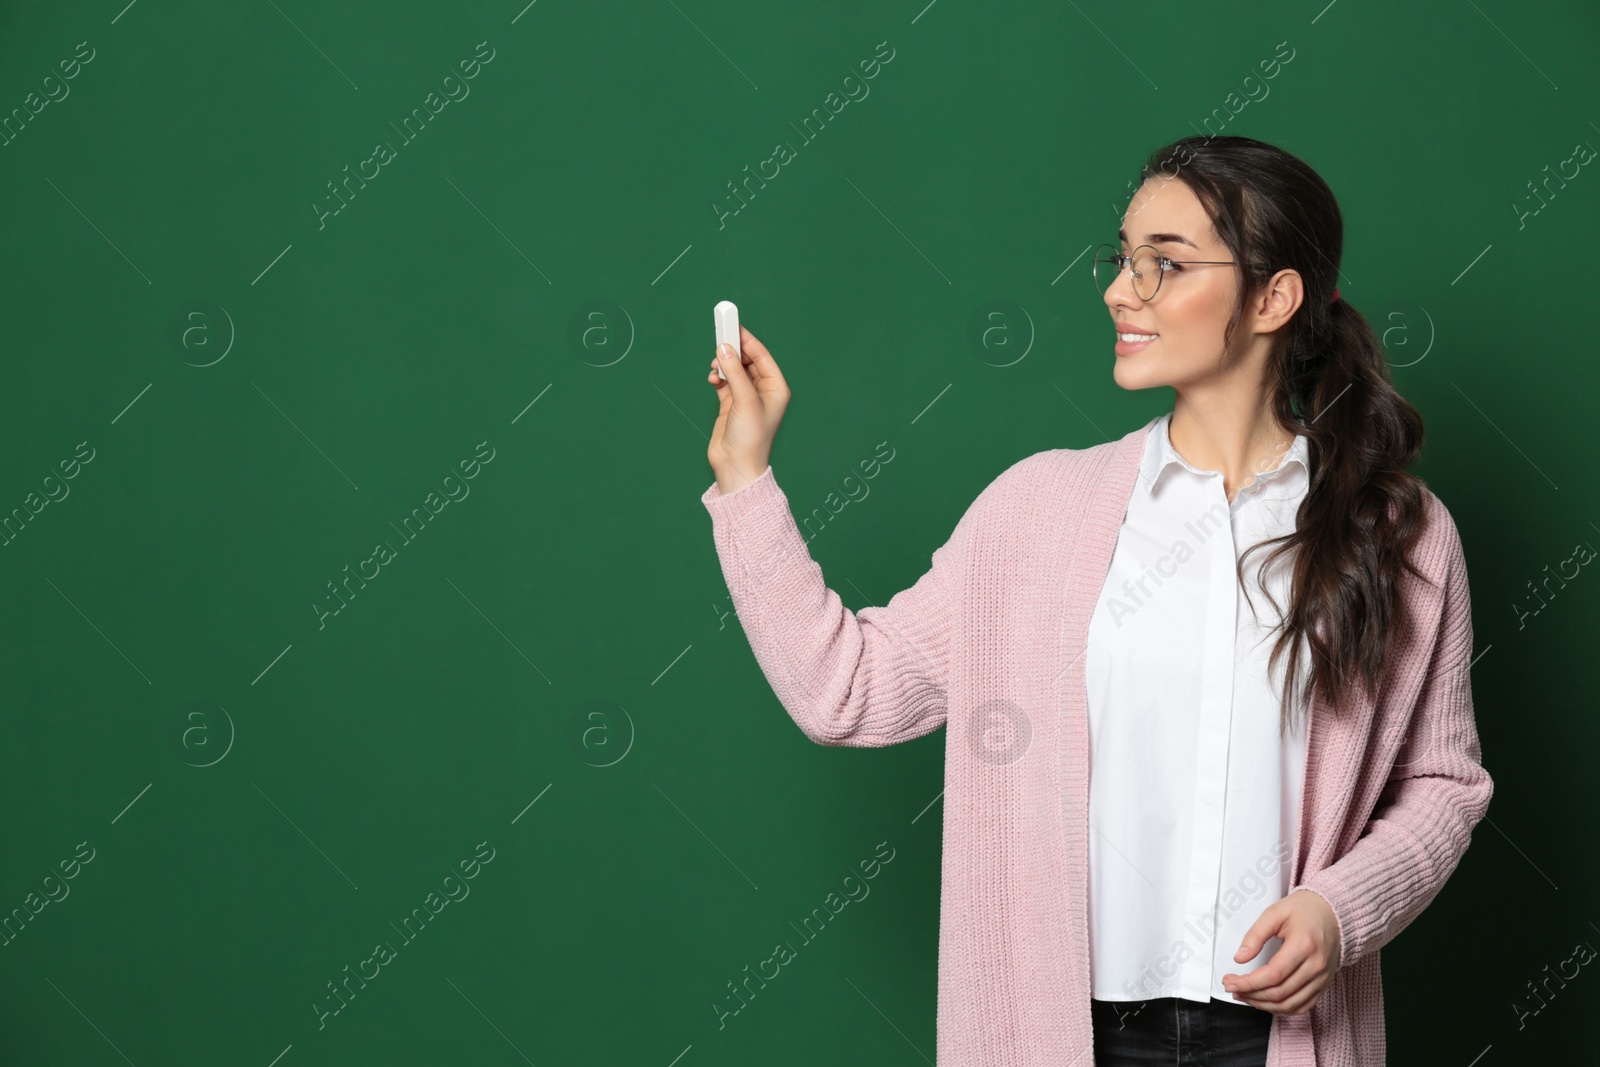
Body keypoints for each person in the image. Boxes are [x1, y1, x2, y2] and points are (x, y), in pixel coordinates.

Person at [698, 134, 1492, 1067]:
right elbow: (850, 690)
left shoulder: (1396, 530)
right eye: (1123, 259)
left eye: (1165, 265)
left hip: (1286, 1039)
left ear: (1274, 297)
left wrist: (1338, 909)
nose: (1121, 290)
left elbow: (1445, 783)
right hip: (1065, 1033)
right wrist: (745, 480)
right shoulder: (1036, 511)